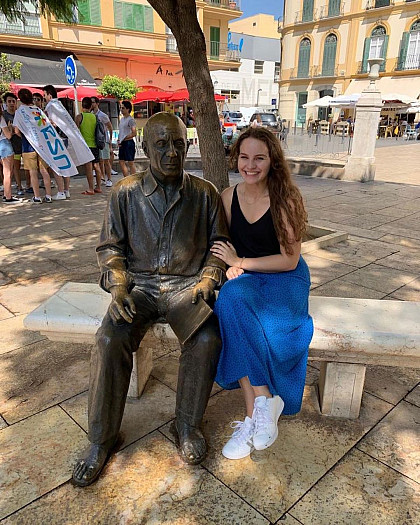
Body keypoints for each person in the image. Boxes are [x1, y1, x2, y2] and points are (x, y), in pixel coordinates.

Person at [72, 112, 229, 487]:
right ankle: (101, 440)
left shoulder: (205, 193)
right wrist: (118, 284)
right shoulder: (124, 193)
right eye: (161, 144)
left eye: (177, 143)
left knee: (207, 339)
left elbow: (219, 249)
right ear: (144, 149)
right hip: (138, 287)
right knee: (109, 339)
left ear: (187, 145)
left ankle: (187, 425)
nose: (171, 153)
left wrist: (209, 276)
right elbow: (110, 248)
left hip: (186, 287)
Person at [210, 126, 313, 460]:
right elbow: (224, 248)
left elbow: (289, 258)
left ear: (272, 161)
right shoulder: (229, 197)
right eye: (244, 157)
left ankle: (255, 414)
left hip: (285, 281)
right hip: (251, 277)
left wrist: (241, 261)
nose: (250, 165)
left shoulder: (285, 199)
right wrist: (230, 267)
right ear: (235, 158)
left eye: (259, 158)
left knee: (235, 312)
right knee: (230, 301)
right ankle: (261, 406)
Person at [14, 89, 53, 203]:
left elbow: (16, 130)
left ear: (20, 99)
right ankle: (49, 195)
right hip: (42, 146)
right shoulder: (38, 110)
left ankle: (37, 196)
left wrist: (25, 136)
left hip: (28, 146)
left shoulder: (20, 111)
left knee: (32, 172)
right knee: (44, 171)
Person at [75, 97, 103, 195]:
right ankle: (98, 187)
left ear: (82, 105)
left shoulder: (79, 117)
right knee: (97, 166)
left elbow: (76, 131)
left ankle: (91, 188)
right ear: (91, 106)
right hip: (95, 144)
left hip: (86, 146)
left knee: (89, 168)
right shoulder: (95, 117)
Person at [3, 92, 26, 196]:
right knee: (15, 168)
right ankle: (19, 186)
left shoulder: (19, 114)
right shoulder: (3, 116)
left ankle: (29, 185)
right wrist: (10, 131)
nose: (12, 103)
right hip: (11, 145)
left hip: (23, 143)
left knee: (27, 166)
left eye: (13, 101)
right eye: (9, 101)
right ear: (6, 103)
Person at [91, 96, 114, 187]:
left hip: (104, 140)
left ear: (97, 103)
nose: (92, 104)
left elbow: (110, 127)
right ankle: (102, 178)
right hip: (96, 140)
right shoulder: (91, 115)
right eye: (91, 102)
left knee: (106, 160)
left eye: (93, 102)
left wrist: (110, 141)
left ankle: (109, 178)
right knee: (99, 161)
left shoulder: (103, 115)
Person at [0, 105, 20, 203]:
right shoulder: (1, 118)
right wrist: (10, 129)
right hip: (4, 145)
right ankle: (8, 196)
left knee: (5, 172)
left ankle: (6, 193)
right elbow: (8, 135)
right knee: (7, 172)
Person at [117, 100, 137, 177]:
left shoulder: (131, 120)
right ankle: (126, 178)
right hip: (122, 142)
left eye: (123, 108)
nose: (121, 110)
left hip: (128, 143)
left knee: (130, 162)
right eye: (120, 108)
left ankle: (133, 179)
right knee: (121, 161)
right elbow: (121, 131)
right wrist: (119, 139)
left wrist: (125, 137)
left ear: (128, 109)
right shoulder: (122, 119)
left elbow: (134, 133)